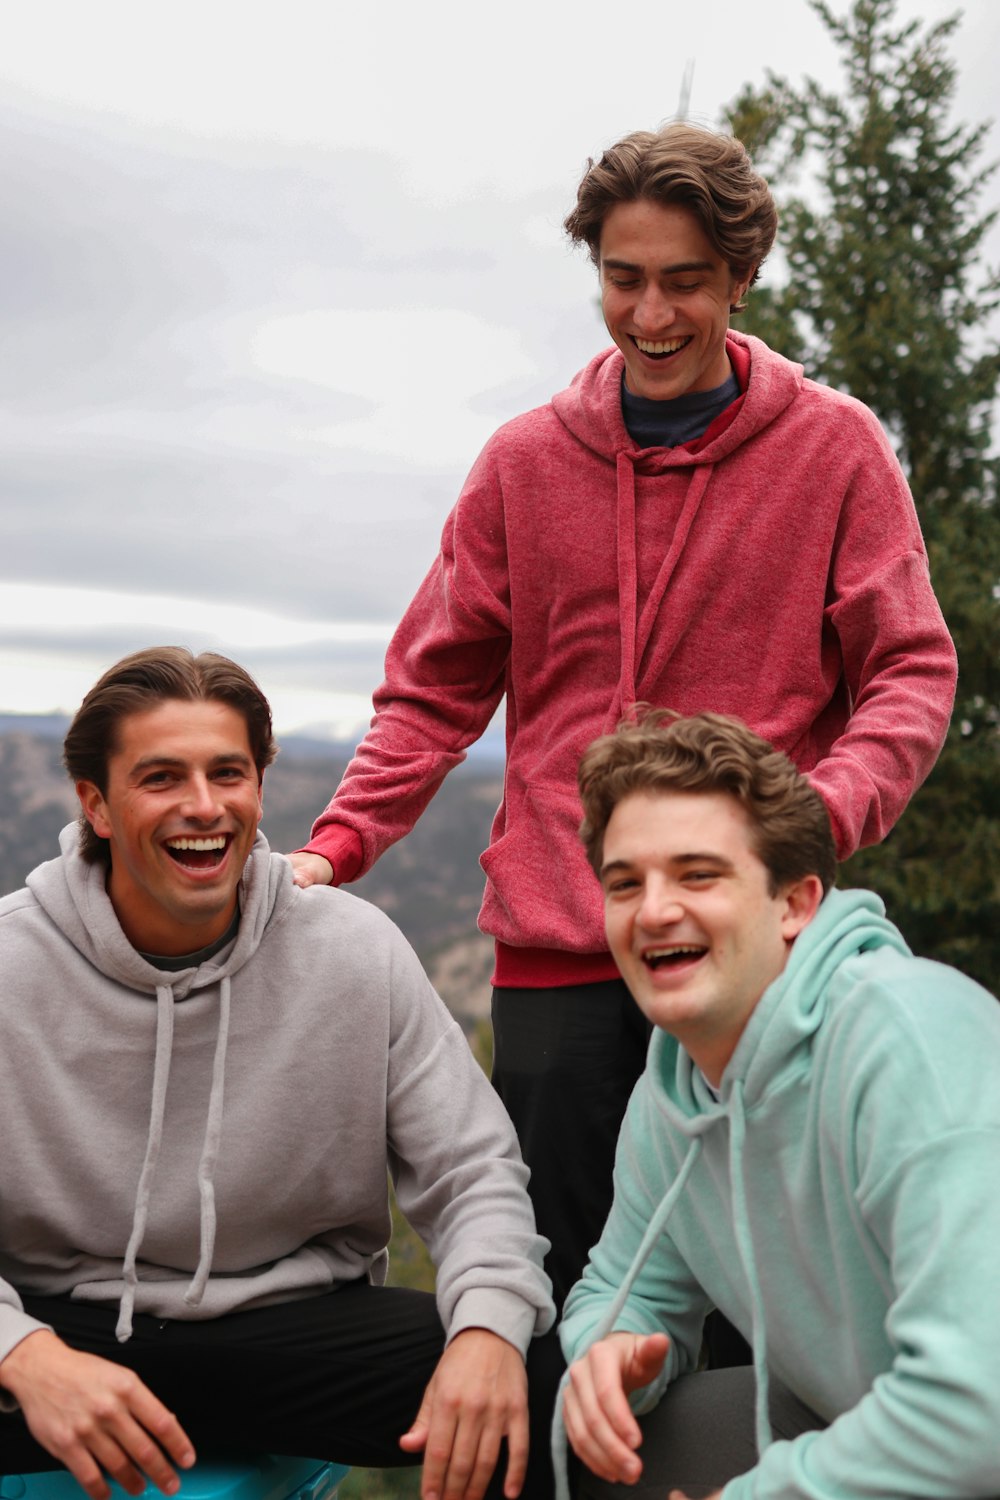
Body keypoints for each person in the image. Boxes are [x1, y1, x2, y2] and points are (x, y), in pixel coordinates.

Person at [289, 122, 958, 1310]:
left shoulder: (836, 450)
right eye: (622, 278)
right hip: (558, 937)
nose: (650, 313)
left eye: (684, 282)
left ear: (739, 277)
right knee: (565, 1280)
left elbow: (906, 669)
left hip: (752, 933)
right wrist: (337, 847)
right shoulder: (522, 463)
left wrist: (813, 816)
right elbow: (435, 688)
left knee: (774, 1288)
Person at [0, 647, 560, 1500]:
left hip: (298, 1327)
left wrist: (486, 1331)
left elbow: (471, 1169)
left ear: (260, 786)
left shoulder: (353, 947)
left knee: (547, 1378)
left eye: (229, 772)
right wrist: (24, 1356)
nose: (204, 806)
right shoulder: (10, 961)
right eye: (160, 778)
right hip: (61, 1326)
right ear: (95, 806)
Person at [555, 709, 1000, 1500]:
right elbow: (625, 1286)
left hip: (970, 1431)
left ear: (795, 903)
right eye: (626, 883)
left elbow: (979, 1403)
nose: (653, 911)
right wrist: (607, 1350)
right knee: (600, 1450)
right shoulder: (675, 1091)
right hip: (863, 1422)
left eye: (698, 874)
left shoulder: (911, 1042)